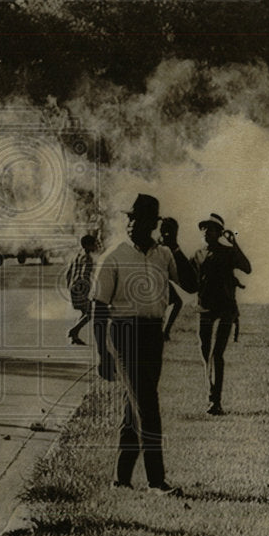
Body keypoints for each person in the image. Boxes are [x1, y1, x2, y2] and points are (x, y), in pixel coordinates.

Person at [91, 194, 183, 496]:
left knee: (136, 406)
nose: (132, 225)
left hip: (152, 333)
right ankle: (157, 482)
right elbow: (100, 309)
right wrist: (103, 352)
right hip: (125, 333)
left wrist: (175, 244)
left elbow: (191, 284)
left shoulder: (163, 255)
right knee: (147, 403)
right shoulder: (114, 256)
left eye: (139, 220)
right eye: (129, 219)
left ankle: (121, 478)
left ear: (153, 225)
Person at [183, 213, 252, 416]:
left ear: (220, 233)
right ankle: (211, 393)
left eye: (211, 229)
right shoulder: (197, 255)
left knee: (216, 353)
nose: (206, 232)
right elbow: (185, 277)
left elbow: (247, 268)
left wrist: (235, 242)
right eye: (204, 228)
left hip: (226, 308)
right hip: (204, 307)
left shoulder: (229, 252)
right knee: (205, 352)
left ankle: (216, 401)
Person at [158, 218, 192, 342]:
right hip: (156, 281)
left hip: (160, 281)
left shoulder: (168, 243)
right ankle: (164, 331)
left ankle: (165, 331)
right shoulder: (165, 244)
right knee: (176, 302)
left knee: (177, 302)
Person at [65, 234, 98, 345]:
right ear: (88, 245)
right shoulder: (88, 258)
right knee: (91, 312)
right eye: (94, 244)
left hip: (73, 286)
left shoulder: (76, 255)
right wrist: (86, 290)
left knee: (85, 312)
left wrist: (69, 285)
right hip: (80, 287)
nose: (96, 246)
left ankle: (75, 335)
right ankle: (73, 330)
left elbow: (68, 272)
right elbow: (84, 274)